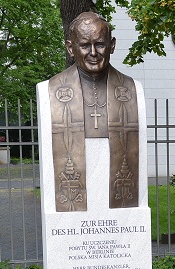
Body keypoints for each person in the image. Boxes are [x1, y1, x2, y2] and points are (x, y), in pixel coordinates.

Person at [46, 11, 141, 211]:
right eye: (84, 45)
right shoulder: (51, 89)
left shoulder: (131, 89)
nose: (93, 52)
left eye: (99, 44)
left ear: (112, 45)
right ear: (70, 48)